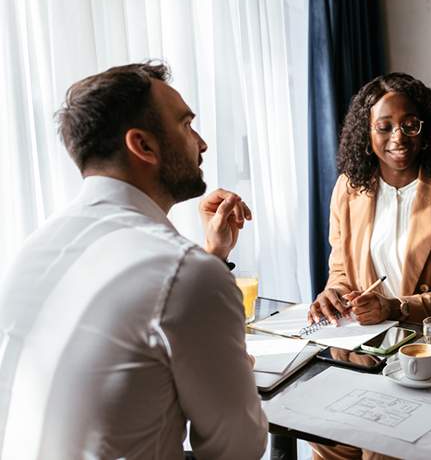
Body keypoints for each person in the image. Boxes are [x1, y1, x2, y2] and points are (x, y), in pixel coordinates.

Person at [0, 62, 268, 459]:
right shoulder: (184, 272)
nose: (202, 143)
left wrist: (213, 256)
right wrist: (238, 365)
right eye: (186, 124)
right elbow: (237, 450)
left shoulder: (35, 249)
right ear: (143, 145)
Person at [310, 73, 431, 460]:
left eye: (409, 125)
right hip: (355, 353)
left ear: (426, 129)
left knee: (380, 452)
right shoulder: (347, 188)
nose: (398, 137)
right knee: (321, 434)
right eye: (384, 127)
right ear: (366, 133)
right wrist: (331, 295)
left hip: (422, 358)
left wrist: (394, 307)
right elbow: (340, 270)